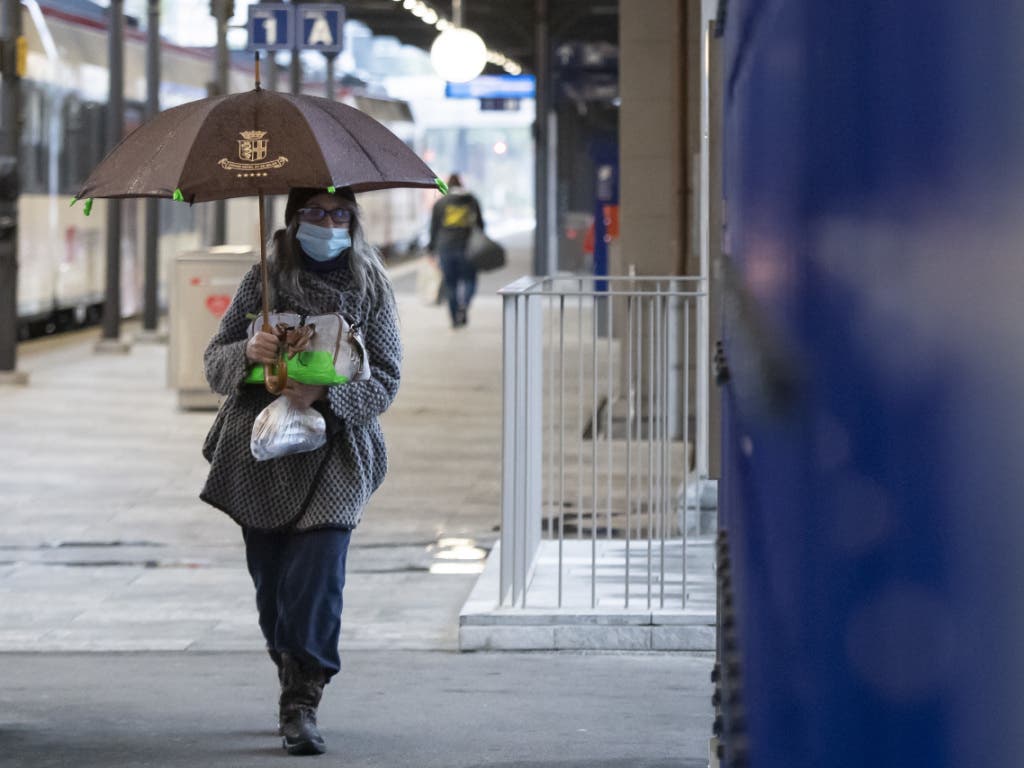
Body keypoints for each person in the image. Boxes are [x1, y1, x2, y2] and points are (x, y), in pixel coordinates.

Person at [200, 187, 401, 756]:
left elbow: (387, 375)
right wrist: (249, 353)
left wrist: (326, 397)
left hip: (335, 453)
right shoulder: (259, 282)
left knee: (317, 577)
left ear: (354, 223)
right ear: (292, 221)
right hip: (259, 455)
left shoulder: (371, 286)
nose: (328, 223)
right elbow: (213, 362)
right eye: (315, 213)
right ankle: (288, 661)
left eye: (340, 215)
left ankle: (302, 700)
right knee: (274, 586)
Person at [427, 172, 484, 328]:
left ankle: (454, 319)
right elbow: (480, 225)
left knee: (451, 283)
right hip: (468, 248)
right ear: (461, 185)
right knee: (470, 280)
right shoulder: (471, 200)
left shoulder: (440, 203)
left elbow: (434, 229)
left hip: (446, 249)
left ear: (449, 185)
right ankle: (464, 305)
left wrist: (431, 250)